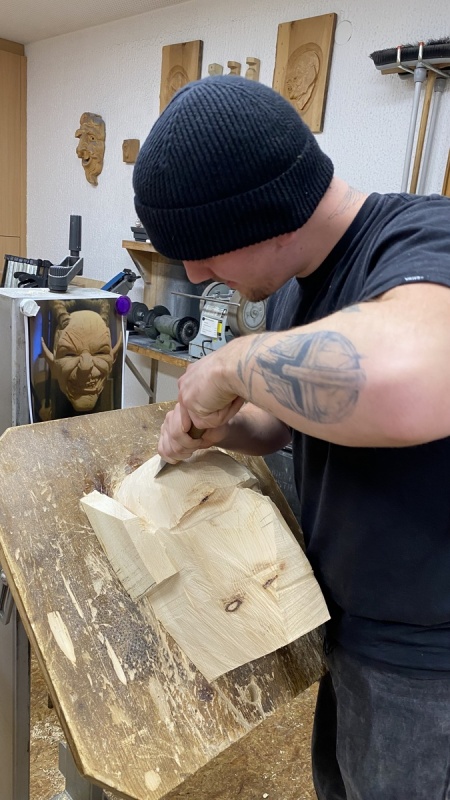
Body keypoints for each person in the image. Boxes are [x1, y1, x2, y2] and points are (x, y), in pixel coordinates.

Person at [133, 74, 450, 799]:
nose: (195, 274)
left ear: (273, 216)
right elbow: (289, 420)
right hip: (349, 630)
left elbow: (411, 380)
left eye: (207, 250)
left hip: (430, 664)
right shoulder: (291, 289)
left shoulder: (426, 238)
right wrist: (228, 428)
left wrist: (233, 363)